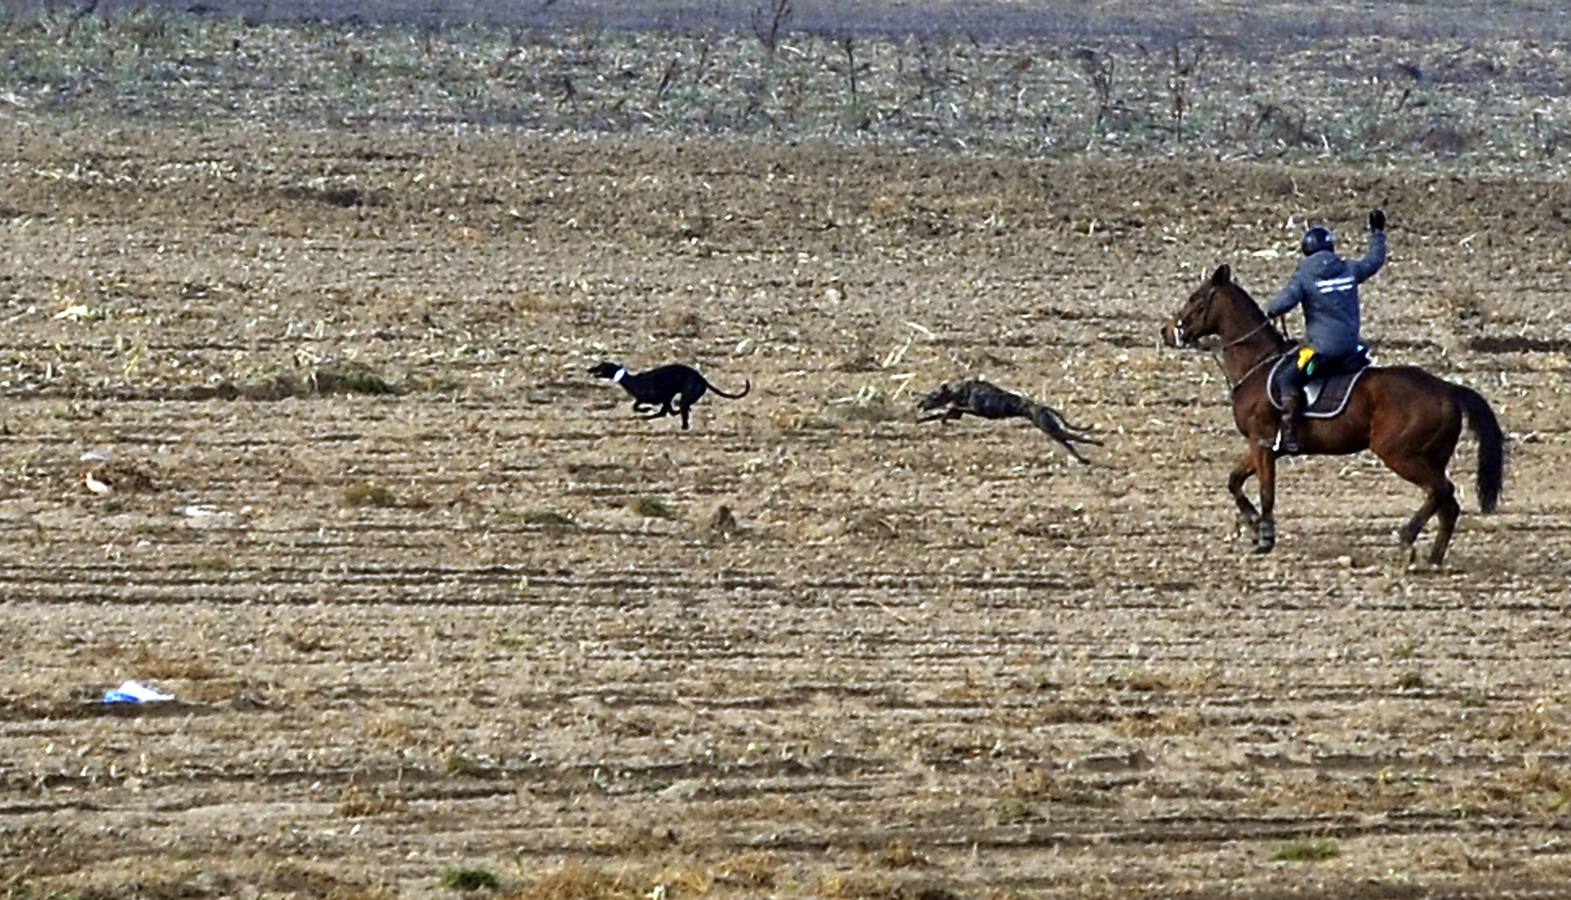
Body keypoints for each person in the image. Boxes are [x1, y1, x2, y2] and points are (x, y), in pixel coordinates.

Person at [1265, 209, 1387, 453]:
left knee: (1287, 378)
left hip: (1321, 353)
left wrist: (1270, 310)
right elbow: (1374, 261)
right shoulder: (1348, 269)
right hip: (1353, 348)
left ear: (1306, 250)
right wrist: (1378, 234)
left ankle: (1289, 435)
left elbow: (1281, 305)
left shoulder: (1305, 277)